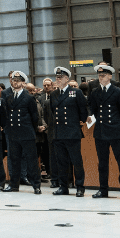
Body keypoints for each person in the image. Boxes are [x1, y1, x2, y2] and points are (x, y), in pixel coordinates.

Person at [87, 63, 120, 200]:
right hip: (100, 131)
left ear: (110, 76)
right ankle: (103, 190)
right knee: (102, 163)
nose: (101, 78)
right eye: (99, 76)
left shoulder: (117, 91)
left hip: (115, 131)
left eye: (104, 75)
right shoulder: (95, 92)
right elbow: (92, 108)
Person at [2, 70, 44, 193]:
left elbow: (34, 117)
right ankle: (14, 185)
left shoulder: (29, 97)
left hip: (26, 133)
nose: (15, 83)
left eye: (18, 81)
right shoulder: (8, 97)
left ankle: (36, 185)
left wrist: (32, 129)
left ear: (23, 83)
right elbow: (6, 115)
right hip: (13, 133)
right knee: (14, 160)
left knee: (31, 161)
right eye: (13, 81)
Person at [50, 67, 88, 196]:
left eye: (60, 78)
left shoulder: (75, 92)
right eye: (57, 78)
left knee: (76, 161)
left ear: (67, 79)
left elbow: (83, 110)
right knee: (61, 162)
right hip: (59, 132)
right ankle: (63, 187)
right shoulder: (54, 94)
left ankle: (80, 186)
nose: (58, 80)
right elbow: (52, 110)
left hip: (72, 132)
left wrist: (79, 123)